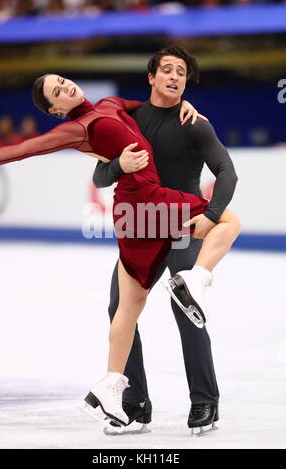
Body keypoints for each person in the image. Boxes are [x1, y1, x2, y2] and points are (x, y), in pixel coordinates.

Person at [0, 65, 240, 429]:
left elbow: (151, 108)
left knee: (128, 306)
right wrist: (118, 164)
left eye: (62, 80)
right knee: (228, 226)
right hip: (150, 203)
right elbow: (24, 149)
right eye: (57, 92)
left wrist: (186, 104)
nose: (65, 86)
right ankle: (195, 282)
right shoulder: (75, 128)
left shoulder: (112, 103)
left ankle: (113, 385)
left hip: (135, 209)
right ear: (55, 109)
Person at [92, 45, 239, 432]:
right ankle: (134, 402)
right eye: (167, 70)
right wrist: (117, 165)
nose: (175, 77)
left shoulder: (195, 123)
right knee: (119, 309)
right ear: (151, 78)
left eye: (182, 73)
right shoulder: (129, 120)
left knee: (186, 309)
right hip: (142, 226)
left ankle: (206, 402)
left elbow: (227, 172)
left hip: (180, 229)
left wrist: (209, 216)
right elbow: (100, 177)